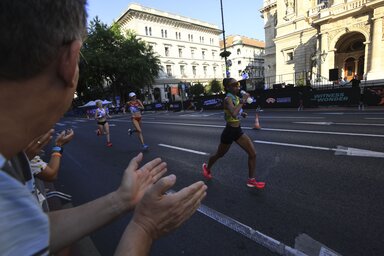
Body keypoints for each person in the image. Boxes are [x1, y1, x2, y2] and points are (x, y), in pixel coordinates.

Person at [0, 1, 207, 255]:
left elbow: (25, 233)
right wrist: (144, 227)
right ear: (70, 59)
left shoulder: (9, 168)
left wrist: (121, 199)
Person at [202, 78, 266, 189]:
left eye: (238, 84)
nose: (237, 86)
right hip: (229, 132)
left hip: (237, 131)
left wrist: (243, 114)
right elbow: (233, 114)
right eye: (234, 85)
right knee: (220, 154)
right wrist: (243, 101)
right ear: (228, 87)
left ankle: (251, 180)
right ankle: (207, 168)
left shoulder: (236, 98)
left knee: (253, 154)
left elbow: (237, 113)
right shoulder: (227, 99)